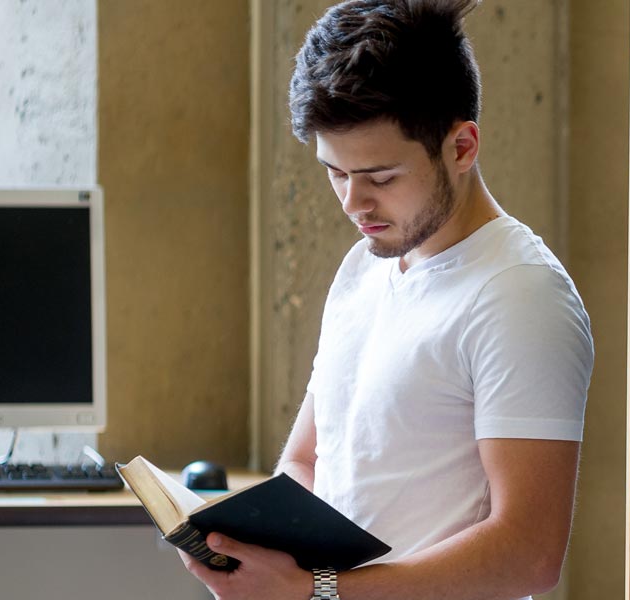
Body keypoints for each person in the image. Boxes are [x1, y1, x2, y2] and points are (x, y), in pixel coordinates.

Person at [177, 1, 592, 598]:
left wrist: (317, 590)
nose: (353, 203)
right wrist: (253, 552)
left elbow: (529, 552)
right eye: (336, 173)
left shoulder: (520, 295)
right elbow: (306, 460)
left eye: (380, 177)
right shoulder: (363, 268)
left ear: (462, 147)